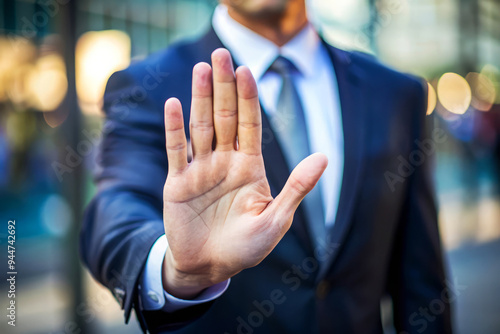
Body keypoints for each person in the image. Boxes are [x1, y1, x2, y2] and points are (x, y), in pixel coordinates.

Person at [80, 0, 453, 333]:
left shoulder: (395, 93)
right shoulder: (147, 85)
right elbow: (114, 210)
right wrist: (177, 269)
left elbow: (420, 278)